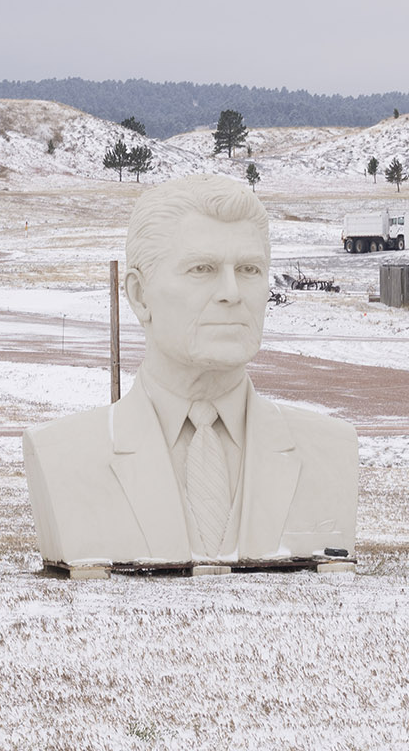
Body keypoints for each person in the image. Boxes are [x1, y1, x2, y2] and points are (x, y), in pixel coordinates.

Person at [23, 174, 356, 568]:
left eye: (249, 269)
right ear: (139, 295)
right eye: (202, 269)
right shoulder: (64, 453)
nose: (232, 292)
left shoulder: (330, 448)